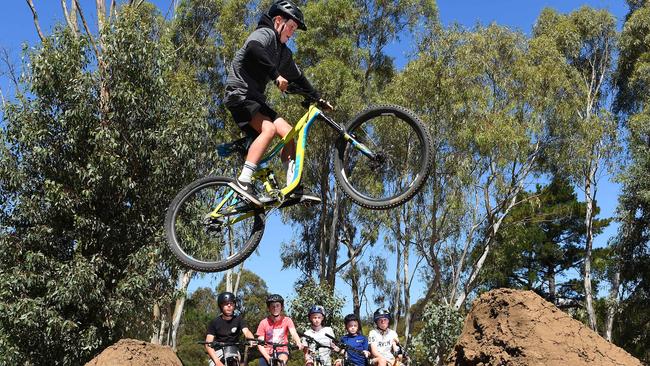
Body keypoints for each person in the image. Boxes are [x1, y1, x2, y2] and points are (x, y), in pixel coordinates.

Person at [224, 0, 332, 206]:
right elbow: (254, 49)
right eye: (291, 27)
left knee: (290, 133)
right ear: (278, 20)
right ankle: (243, 180)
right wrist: (275, 75)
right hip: (239, 93)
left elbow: (299, 78)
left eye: (295, 30)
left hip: (255, 99)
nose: (292, 33)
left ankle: (292, 187)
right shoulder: (265, 33)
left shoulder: (283, 53)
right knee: (269, 129)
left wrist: (317, 98)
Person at [204, 291, 256, 366]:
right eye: (226, 304)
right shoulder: (214, 322)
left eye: (231, 303)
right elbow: (208, 343)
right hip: (219, 351)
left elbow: (246, 331)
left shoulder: (239, 319)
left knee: (234, 360)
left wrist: (251, 339)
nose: (229, 306)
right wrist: (217, 362)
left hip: (234, 350)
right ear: (221, 306)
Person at [256, 294, 304, 366]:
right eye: (272, 306)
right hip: (267, 351)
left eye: (277, 305)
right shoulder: (263, 323)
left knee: (280, 362)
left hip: (282, 350)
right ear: (269, 308)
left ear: (281, 307)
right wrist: (268, 358)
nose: (275, 308)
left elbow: (293, 333)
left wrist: (298, 342)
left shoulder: (287, 320)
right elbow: (260, 343)